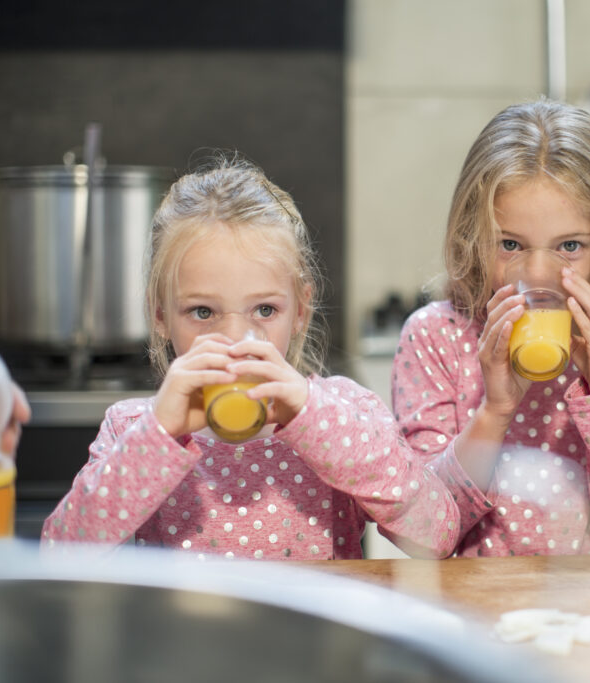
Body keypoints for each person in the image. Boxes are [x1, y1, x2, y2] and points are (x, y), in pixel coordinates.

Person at [42, 156, 459, 560]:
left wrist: (314, 418)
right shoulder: (133, 429)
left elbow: (436, 534)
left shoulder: (344, 414)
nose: (234, 339)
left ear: (300, 311)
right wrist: (158, 436)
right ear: (160, 316)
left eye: (264, 310)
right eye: (202, 312)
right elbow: (59, 557)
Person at [392, 99, 590, 557]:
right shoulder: (436, 338)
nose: (539, 274)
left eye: (569, 246)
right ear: (471, 238)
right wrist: (495, 411)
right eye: (510, 244)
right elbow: (425, 534)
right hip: (475, 613)